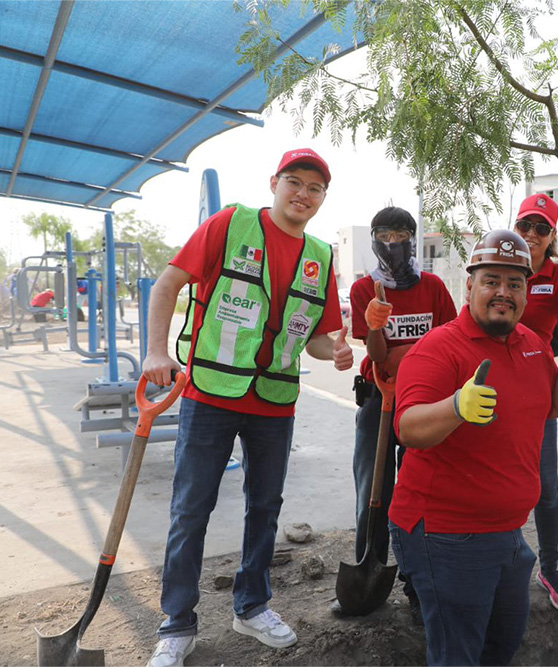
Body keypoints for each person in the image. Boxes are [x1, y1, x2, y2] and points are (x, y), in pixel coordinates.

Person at [141, 148, 354, 667]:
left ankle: (252, 606)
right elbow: (168, 284)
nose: (303, 194)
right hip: (210, 393)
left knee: (265, 507)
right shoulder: (230, 224)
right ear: (275, 183)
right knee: (191, 509)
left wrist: (339, 350)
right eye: (294, 182)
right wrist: (155, 351)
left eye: (314, 188)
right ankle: (177, 623)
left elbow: (318, 341)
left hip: (275, 402)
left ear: (322, 199)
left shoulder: (321, 257)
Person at [388, 229, 558, 665]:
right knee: (458, 654)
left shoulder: (531, 344)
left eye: (514, 283)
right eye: (491, 281)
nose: (502, 293)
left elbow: (556, 404)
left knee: (502, 643)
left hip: (507, 531)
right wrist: (456, 406)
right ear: (468, 286)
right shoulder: (438, 349)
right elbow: (407, 428)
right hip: (445, 532)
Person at [332, 206, 457, 619]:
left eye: (401, 234)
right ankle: (368, 570)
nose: (393, 243)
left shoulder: (435, 288)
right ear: (373, 240)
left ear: (412, 239)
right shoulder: (366, 290)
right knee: (374, 490)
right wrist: (373, 326)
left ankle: (418, 581)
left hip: (424, 402)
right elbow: (379, 355)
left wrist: (410, 360)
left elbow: (446, 346)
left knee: (423, 492)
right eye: (384, 235)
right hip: (377, 401)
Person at [511, 193, 558, 611]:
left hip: (538, 394)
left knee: (546, 489)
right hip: (492, 389)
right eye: (525, 225)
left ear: (552, 235)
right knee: (498, 481)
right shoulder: (504, 266)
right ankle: (502, 560)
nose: (531, 235)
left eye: (541, 228)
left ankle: (550, 567)